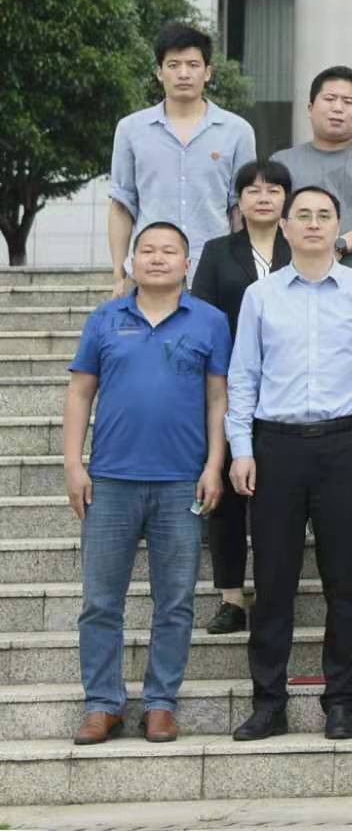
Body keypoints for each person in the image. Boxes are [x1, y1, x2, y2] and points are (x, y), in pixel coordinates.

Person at [224, 186, 352, 742]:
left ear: (338, 225)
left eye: (325, 215)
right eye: (303, 215)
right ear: (285, 226)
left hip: (344, 444)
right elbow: (243, 377)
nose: (314, 224)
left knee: (344, 581)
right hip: (275, 447)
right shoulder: (260, 295)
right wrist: (241, 448)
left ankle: (341, 701)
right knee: (273, 582)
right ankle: (268, 703)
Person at [65, 222, 230, 745]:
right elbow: (79, 393)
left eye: (169, 251)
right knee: (100, 601)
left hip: (182, 482)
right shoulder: (105, 318)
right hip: (110, 481)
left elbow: (218, 399)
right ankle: (102, 704)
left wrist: (214, 465)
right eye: (148, 251)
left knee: (175, 601)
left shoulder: (210, 321)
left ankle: (161, 703)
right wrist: (73, 464)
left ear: (187, 264)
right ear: (132, 262)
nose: (158, 259)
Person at [188, 160, 293, 637]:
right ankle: (231, 596)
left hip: (291, 387)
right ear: (239, 200)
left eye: (273, 189)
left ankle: (274, 591)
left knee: (280, 494)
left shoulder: (302, 246)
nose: (263, 197)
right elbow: (204, 318)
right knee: (228, 495)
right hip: (230, 384)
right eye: (253, 190)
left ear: (287, 199)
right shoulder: (218, 251)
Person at [108, 23, 257, 289]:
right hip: (149, 270)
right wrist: (119, 274)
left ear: (207, 72)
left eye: (193, 64)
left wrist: (243, 270)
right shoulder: (131, 129)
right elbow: (122, 203)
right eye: (173, 65)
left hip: (215, 270)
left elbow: (240, 209)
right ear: (159, 72)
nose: (184, 73)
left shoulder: (238, 131)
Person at [271, 65, 352, 271]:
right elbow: (272, 220)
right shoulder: (281, 162)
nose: (338, 108)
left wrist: (340, 246)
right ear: (310, 108)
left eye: (348, 101)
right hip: (296, 275)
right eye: (330, 99)